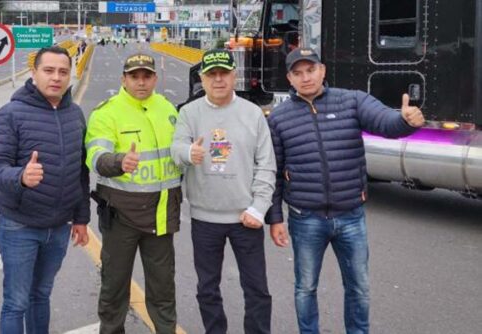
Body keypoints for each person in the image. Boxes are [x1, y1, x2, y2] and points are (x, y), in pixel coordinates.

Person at [266, 47, 425, 334]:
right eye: (298, 73)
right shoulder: (279, 119)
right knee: (305, 289)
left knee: (359, 288)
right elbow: (274, 173)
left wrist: (404, 121)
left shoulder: (351, 101)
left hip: (351, 216)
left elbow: (383, 121)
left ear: (322, 70)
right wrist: (275, 218)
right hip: (305, 219)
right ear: (289, 78)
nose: (306, 78)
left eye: (311, 70)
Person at [171, 49, 276, 334]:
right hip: (205, 219)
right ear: (203, 79)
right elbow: (176, 147)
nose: (218, 80)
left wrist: (259, 207)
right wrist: (187, 152)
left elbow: (267, 165)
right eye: (211, 75)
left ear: (234, 76)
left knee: (257, 289)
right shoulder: (189, 113)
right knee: (207, 288)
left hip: (246, 217)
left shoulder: (252, 113)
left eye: (224, 74)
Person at [0, 46, 90, 334]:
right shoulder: (10, 114)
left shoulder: (75, 115)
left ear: (70, 75)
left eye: (63, 72)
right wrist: (21, 176)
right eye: (48, 70)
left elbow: (80, 171)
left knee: (40, 296)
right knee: (16, 302)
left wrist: (81, 219)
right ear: (34, 73)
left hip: (58, 227)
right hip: (20, 226)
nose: (56, 78)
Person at [85, 53, 182, 334]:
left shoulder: (167, 109)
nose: (141, 82)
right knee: (114, 288)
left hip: (162, 215)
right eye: (134, 76)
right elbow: (95, 155)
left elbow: (179, 154)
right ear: (123, 79)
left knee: (163, 289)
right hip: (121, 218)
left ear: (155, 78)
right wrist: (117, 162)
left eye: (146, 76)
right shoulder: (107, 112)